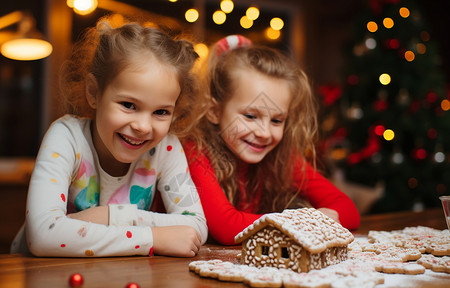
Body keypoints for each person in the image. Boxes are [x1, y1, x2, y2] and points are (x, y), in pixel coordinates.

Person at [10, 17, 207, 257]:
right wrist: (152, 237)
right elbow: (43, 235)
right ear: (94, 93)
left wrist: (101, 217)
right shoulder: (66, 137)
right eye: (128, 105)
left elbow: (194, 226)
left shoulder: (167, 148)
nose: (143, 126)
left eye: (161, 112)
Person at [182, 35, 360, 245]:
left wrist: (318, 219)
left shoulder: (282, 157)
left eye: (277, 120)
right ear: (214, 111)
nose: (265, 133)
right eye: (250, 116)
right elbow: (227, 227)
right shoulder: (194, 151)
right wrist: (306, 223)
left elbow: (348, 210)